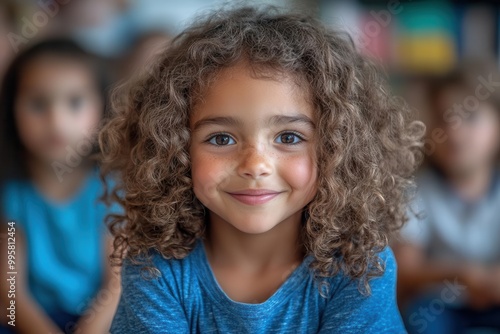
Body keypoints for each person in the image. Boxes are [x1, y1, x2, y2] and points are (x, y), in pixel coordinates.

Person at [100, 6, 424, 333]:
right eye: (221, 138)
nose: (255, 165)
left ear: (338, 149)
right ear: (175, 149)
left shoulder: (361, 266)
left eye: (288, 137)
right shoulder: (155, 268)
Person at [0, 39, 121, 334]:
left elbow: (117, 285)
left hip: (99, 321)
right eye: (38, 103)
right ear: (11, 110)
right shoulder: (12, 196)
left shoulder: (111, 191)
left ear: (102, 108)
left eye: (75, 102)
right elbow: (10, 293)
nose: (56, 120)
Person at [395, 62, 500, 334]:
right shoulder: (415, 191)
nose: (454, 131)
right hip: (440, 305)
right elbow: (406, 271)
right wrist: (462, 275)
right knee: (421, 318)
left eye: (472, 117)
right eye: (443, 118)